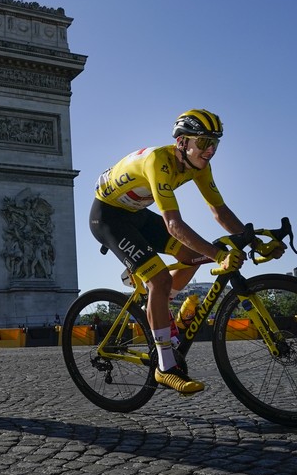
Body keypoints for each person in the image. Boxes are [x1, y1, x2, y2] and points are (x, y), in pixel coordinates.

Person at [88, 109, 283, 395]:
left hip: (137, 214)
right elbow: (173, 224)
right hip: (108, 218)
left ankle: (159, 308)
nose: (210, 151)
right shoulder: (158, 161)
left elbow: (220, 211)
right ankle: (165, 366)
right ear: (182, 142)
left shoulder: (200, 166)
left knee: (193, 257)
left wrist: (253, 241)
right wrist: (219, 255)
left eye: (215, 144)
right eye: (203, 143)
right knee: (161, 278)